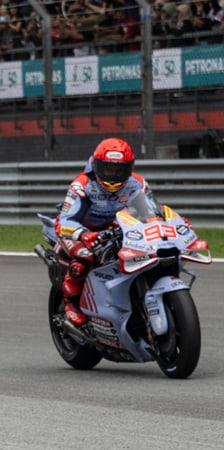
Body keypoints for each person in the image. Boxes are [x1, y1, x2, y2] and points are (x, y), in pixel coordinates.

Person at [55, 137, 160, 327]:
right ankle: (71, 304)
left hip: (112, 228)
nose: (114, 174)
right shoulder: (82, 185)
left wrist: (159, 224)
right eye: (109, 168)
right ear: (97, 165)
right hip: (76, 231)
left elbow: (152, 213)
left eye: (120, 169)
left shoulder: (136, 184)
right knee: (84, 256)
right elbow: (65, 221)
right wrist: (82, 234)